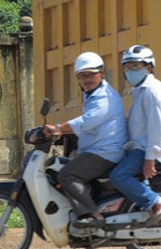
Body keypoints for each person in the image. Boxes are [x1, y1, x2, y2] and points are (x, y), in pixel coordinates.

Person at [43, 51, 127, 228]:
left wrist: (59, 128)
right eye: (82, 76)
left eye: (90, 75)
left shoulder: (105, 97)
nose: (86, 80)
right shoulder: (92, 94)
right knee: (65, 164)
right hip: (96, 151)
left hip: (104, 153)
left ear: (102, 74)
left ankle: (93, 216)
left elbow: (88, 121)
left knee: (67, 174)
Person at [110, 45, 161, 220]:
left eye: (135, 67)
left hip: (148, 149)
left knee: (119, 176)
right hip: (139, 147)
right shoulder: (140, 90)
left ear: (148, 68)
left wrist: (150, 159)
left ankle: (156, 201)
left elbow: (157, 127)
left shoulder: (153, 92)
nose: (130, 71)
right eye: (127, 67)